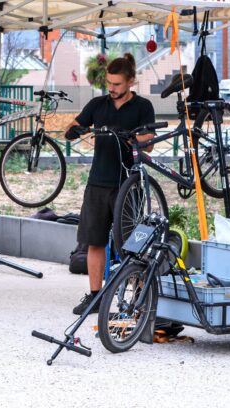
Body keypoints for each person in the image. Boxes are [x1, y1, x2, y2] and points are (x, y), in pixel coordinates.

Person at [63, 54, 156, 315]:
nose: (112, 89)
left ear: (130, 82)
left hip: (128, 184)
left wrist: (136, 138)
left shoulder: (142, 106)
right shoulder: (97, 104)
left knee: (133, 244)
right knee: (94, 241)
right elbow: (72, 128)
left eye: (117, 84)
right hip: (98, 182)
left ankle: (138, 296)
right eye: (109, 83)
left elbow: (151, 139)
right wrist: (75, 131)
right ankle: (95, 297)